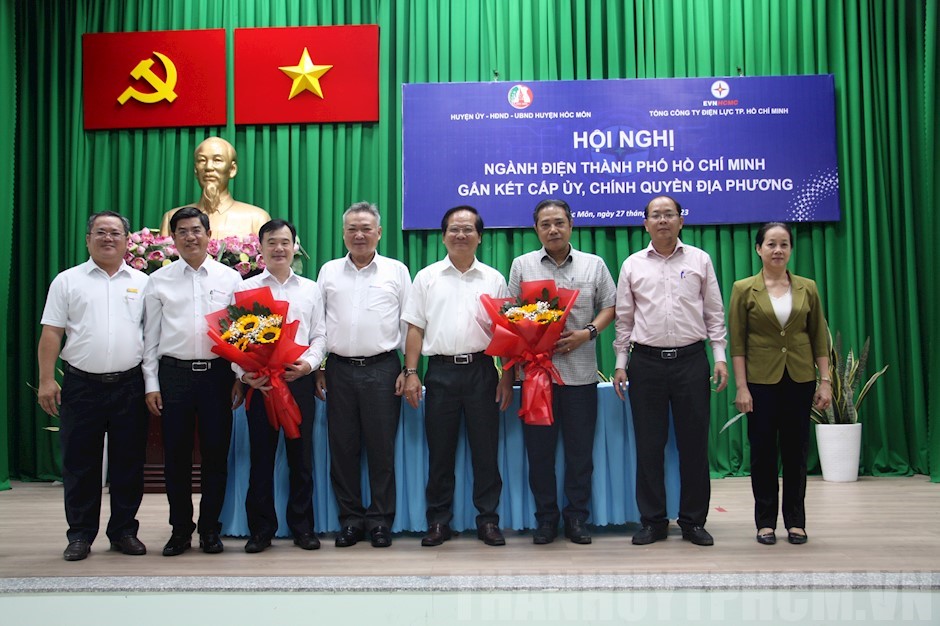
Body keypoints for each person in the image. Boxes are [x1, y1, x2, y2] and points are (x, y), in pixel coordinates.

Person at [612, 195, 728, 547]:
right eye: (655, 215)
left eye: (669, 214)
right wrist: (620, 363)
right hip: (645, 363)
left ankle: (693, 522)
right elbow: (624, 319)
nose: (662, 220)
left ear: (681, 220)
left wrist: (719, 355)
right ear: (645, 223)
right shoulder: (632, 265)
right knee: (649, 446)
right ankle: (653, 522)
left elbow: (714, 312)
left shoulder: (699, 260)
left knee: (694, 445)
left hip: (691, 361)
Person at [38, 211, 150, 561]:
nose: (108, 238)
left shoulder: (144, 282)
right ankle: (80, 535)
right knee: (80, 463)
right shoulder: (68, 281)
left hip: (130, 385)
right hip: (81, 385)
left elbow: (152, 337)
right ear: (88, 240)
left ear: (127, 241)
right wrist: (46, 380)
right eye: (100, 232)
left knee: (128, 463)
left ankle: (124, 532)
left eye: (115, 233)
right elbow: (52, 332)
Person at [401, 206, 514, 547]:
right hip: (440, 373)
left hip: (482, 371)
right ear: (443, 236)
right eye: (454, 229)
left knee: (485, 452)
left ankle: (488, 520)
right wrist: (411, 372)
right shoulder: (427, 277)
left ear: (479, 237)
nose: (461, 234)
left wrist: (506, 376)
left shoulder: (493, 279)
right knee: (440, 452)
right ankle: (438, 521)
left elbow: (506, 331)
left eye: (468, 229)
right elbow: (415, 329)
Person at [508, 199, 616, 545]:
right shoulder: (522, 265)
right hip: (536, 378)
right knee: (539, 454)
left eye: (559, 222)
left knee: (579, 454)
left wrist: (588, 333)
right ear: (536, 229)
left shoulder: (594, 264)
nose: (553, 229)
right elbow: (510, 315)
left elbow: (610, 306)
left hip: (580, 376)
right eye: (545, 224)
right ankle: (545, 519)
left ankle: (577, 518)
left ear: (571, 225)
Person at [143, 206, 244, 556]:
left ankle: (210, 529)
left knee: (216, 455)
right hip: (175, 376)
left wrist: (239, 376)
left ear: (208, 235)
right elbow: (150, 338)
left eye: (196, 230)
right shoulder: (159, 280)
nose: (190, 237)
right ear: (173, 238)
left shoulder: (230, 278)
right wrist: (151, 384)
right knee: (176, 457)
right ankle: (180, 529)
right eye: (182, 231)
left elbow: (238, 334)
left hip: (218, 376)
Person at [729, 222, 831, 546]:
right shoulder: (743, 288)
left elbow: (818, 338)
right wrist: (742, 387)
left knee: (796, 452)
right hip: (760, 382)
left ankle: (796, 522)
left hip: (799, 380)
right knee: (762, 453)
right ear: (758, 249)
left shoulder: (807, 287)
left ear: (790, 250)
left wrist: (825, 381)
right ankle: (765, 522)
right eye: (771, 244)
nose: (777, 250)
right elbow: (738, 343)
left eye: (784, 244)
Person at [315, 202, 411, 548]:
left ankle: (381, 521)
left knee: (381, 450)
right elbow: (318, 324)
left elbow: (408, 324)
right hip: (338, 370)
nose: (359, 235)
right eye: (352, 229)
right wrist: (319, 367)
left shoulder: (396, 271)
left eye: (366, 228)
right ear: (343, 233)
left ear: (379, 233)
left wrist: (408, 369)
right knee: (343, 449)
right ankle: (351, 520)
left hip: (383, 369)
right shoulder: (328, 272)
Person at [236, 219, 326, 553]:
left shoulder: (310, 289)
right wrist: (243, 374)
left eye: (285, 242)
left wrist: (309, 364)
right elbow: (234, 338)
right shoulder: (246, 288)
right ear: (260, 248)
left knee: (301, 460)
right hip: (260, 384)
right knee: (261, 459)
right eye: (272, 242)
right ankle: (261, 530)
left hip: (297, 380)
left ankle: (303, 527)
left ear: (294, 247)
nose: (279, 248)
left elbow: (320, 335)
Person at [159, 137, 271, 240]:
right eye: (202, 160)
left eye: (217, 160)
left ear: (232, 169)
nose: (208, 167)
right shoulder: (171, 218)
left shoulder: (257, 219)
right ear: (195, 170)